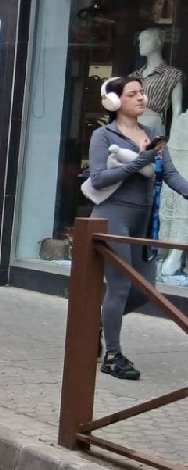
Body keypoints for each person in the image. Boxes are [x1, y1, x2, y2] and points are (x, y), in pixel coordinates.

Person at [86, 74, 188, 379]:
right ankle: (112, 355)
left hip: (144, 221)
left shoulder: (153, 133)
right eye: (132, 94)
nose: (141, 97)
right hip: (113, 216)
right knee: (119, 287)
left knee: (145, 291)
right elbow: (97, 179)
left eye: (141, 92)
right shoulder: (104, 136)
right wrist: (139, 161)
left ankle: (96, 323)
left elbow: (170, 174)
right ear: (114, 101)